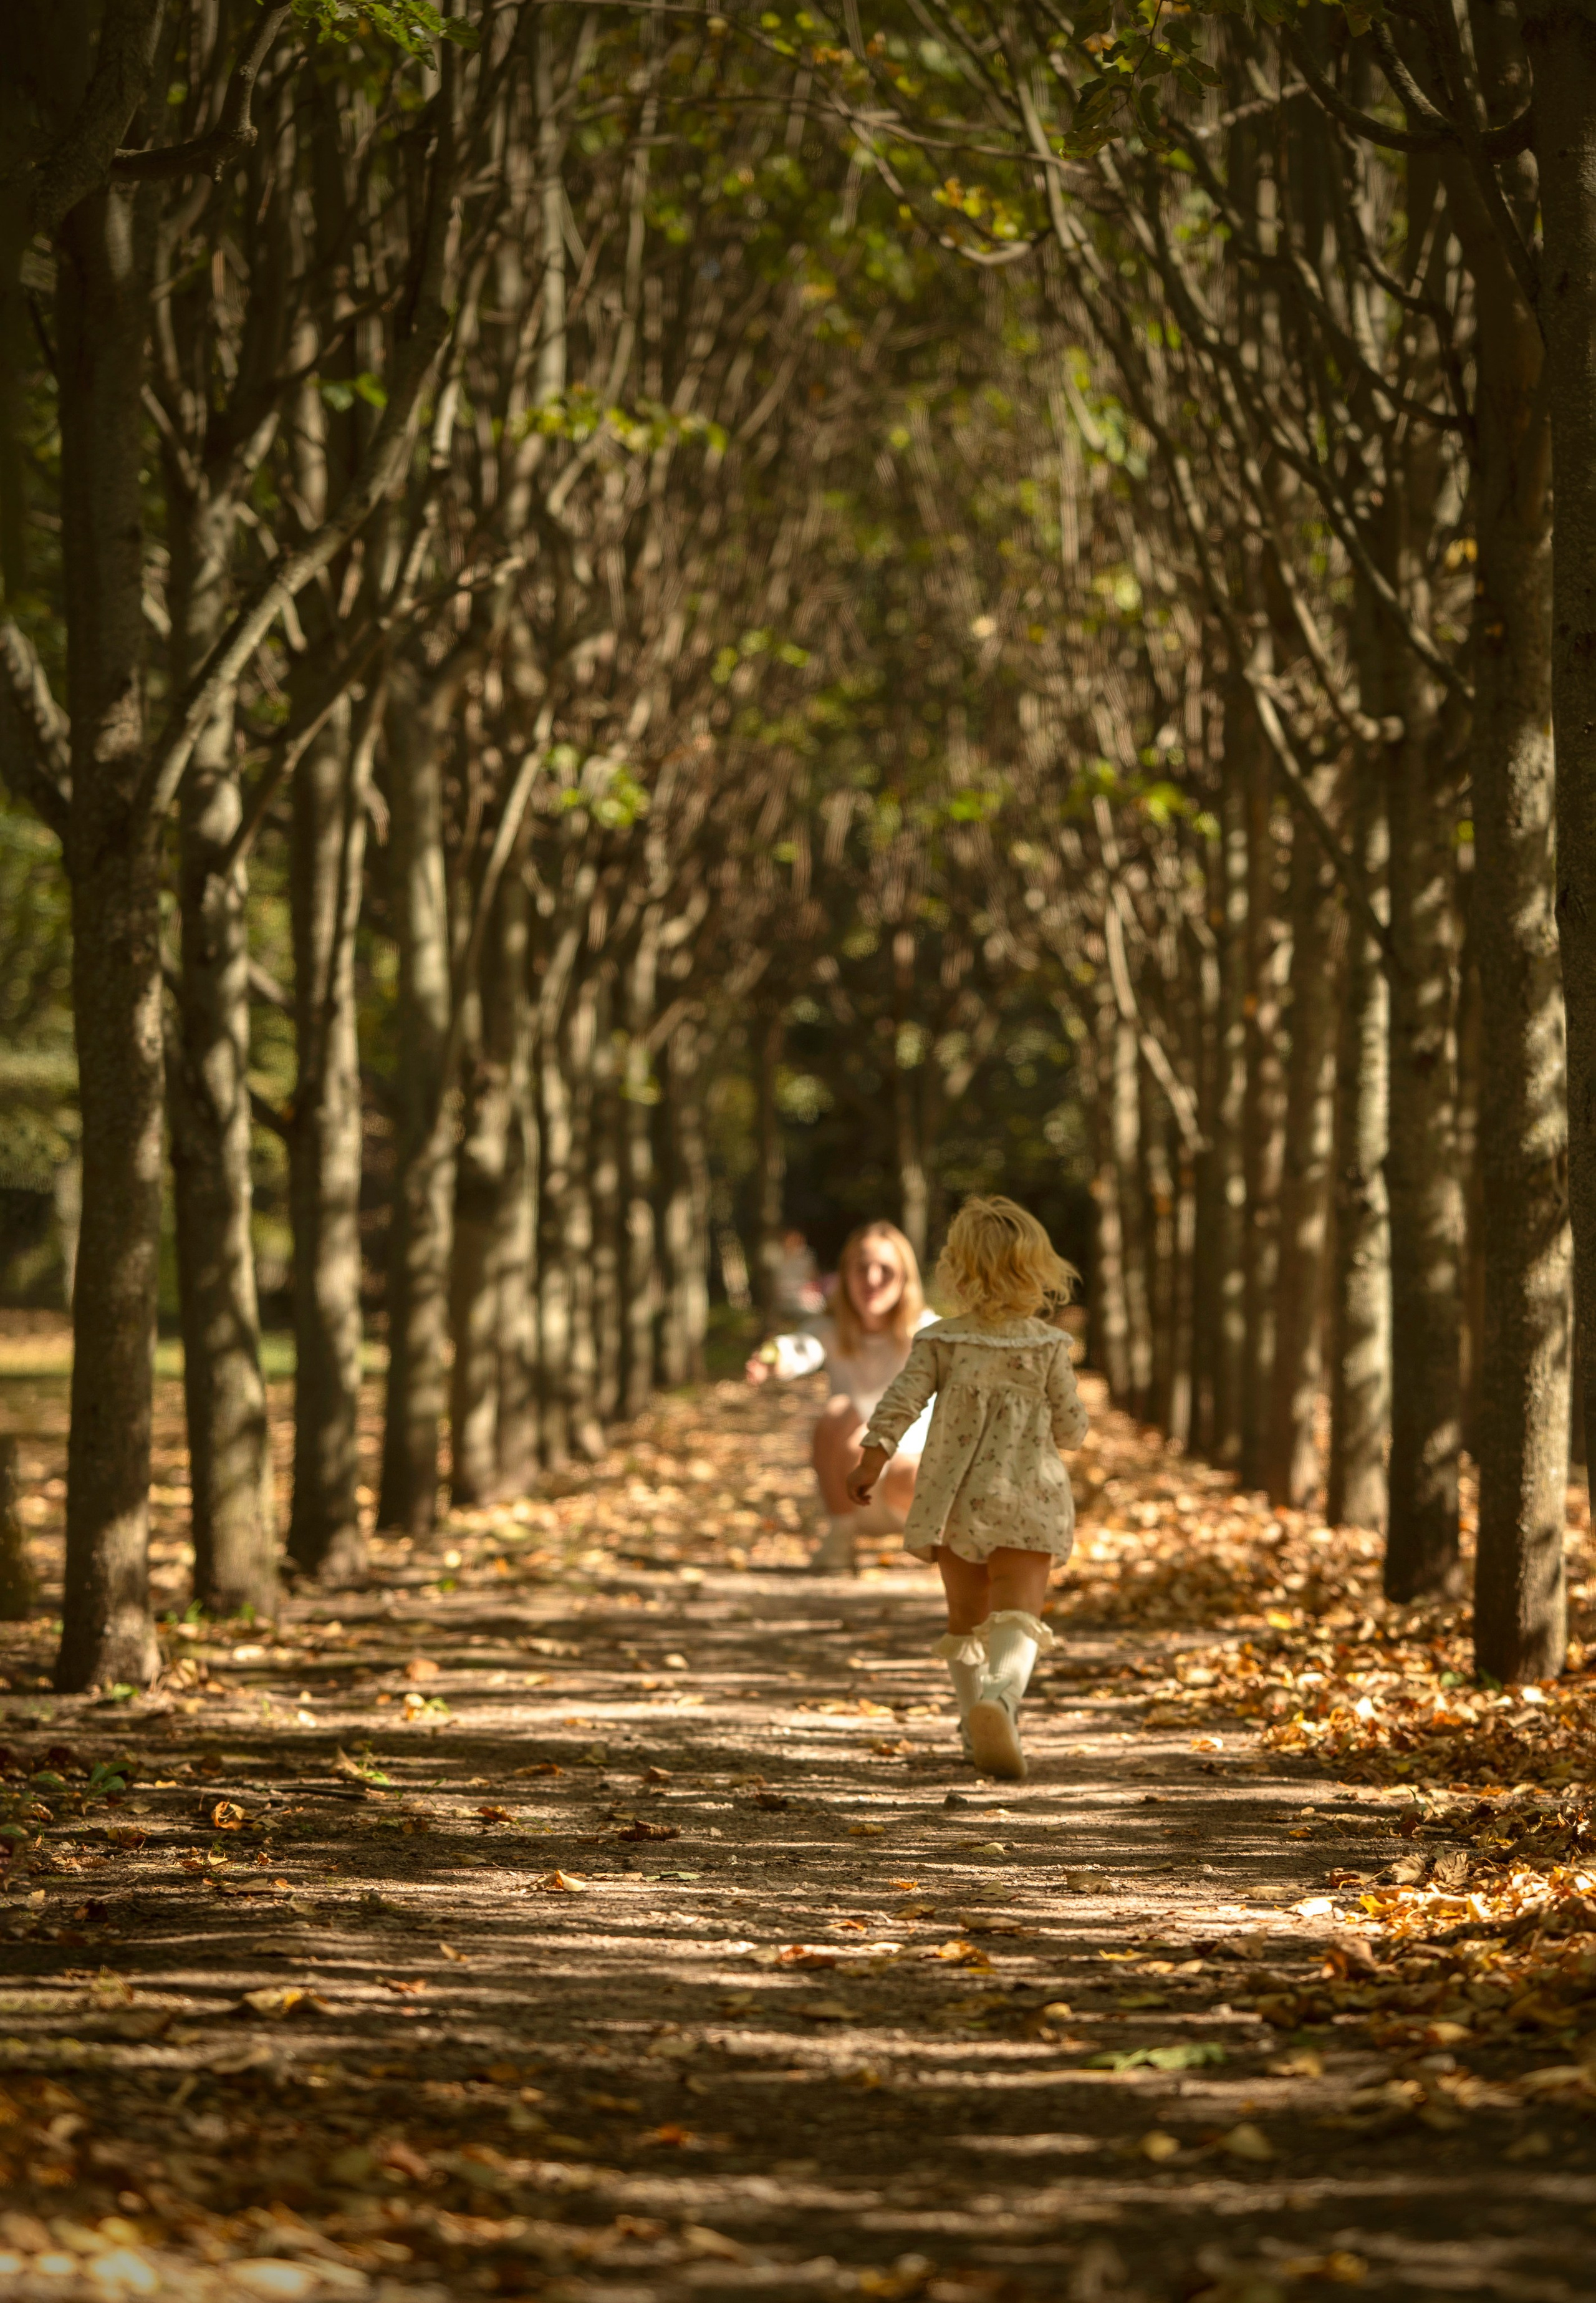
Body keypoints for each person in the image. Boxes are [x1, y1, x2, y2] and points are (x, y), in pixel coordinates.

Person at [847, 1194, 1087, 1781]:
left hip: (953, 1500)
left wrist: (870, 1462)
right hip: (1028, 1498)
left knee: (966, 1616)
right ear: (1036, 1271)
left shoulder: (941, 1340)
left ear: (958, 1271)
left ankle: (970, 1720)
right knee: (1017, 1612)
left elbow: (900, 1404)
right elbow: (1072, 1429)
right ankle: (1000, 1701)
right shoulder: (1048, 1346)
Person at [746, 1220, 936, 1572]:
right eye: (862, 1268)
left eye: (885, 1269)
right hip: (852, 1488)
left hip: (907, 1488)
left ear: (905, 1278)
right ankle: (840, 1537)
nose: (873, 1279)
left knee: (907, 1466)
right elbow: (802, 1347)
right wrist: (776, 1357)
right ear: (845, 1275)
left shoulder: (928, 1332)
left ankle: (947, 1545)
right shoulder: (831, 1330)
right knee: (840, 1411)